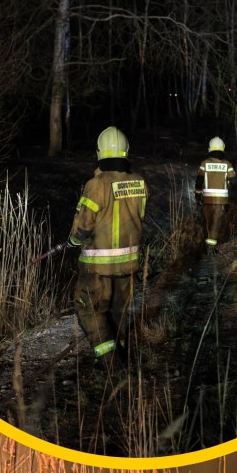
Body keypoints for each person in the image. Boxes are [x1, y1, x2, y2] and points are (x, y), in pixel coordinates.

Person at [66, 126, 148, 365]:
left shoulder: (96, 184)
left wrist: (73, 240)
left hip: (97, 268)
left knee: (89, 311)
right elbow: (139, 217)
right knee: (118, 315)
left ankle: (112, 367)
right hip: (129, 265)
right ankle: (122, 356)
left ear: (100, 151)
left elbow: (83, 225)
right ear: (126, 151)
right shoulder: (139, 182)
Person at [195, 137, 236, 250]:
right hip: (222, 201)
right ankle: (211, 249)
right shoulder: (227, 164)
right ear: (223, 148)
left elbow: (199, 181)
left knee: (207, 223)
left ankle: (205, 247)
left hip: (207, 200)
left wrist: (198, 195)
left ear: (210, 149)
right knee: (216, 224)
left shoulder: (205, 163)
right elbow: (234, 182)